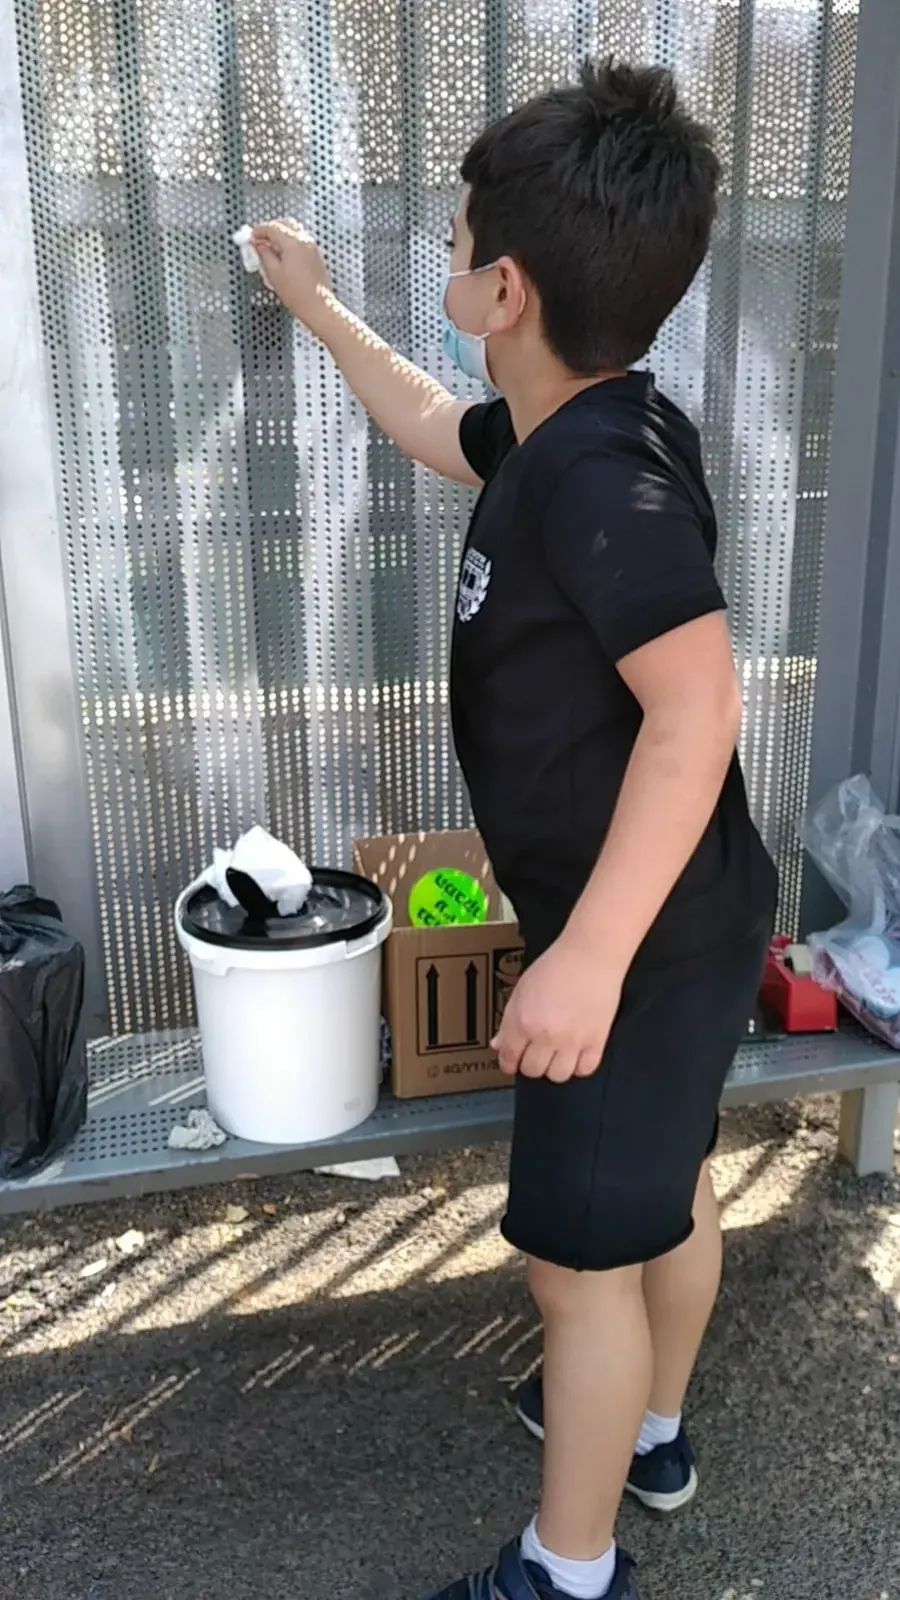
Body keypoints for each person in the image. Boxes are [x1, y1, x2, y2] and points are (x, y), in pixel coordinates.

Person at [252, 56, 778, 1600]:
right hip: (683, 916)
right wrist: (319, 308)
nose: (448, 261)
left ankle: (567, 1569)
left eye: (457, 241)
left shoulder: (600, 485)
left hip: (641, 944)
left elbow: (698, 708)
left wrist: (586, 960)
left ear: (505, 290)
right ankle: (651, 1434)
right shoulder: (578, 429)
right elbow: (436, 422)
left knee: (573, 1268)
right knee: (664, 1189)